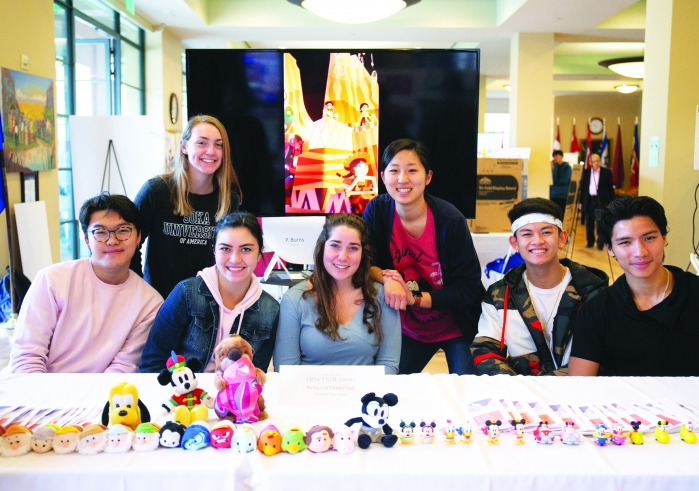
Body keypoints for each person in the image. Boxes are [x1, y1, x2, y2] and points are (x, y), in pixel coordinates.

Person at [363, 138, 484, 375]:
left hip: (457, 327)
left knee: (468, 395)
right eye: (394, 171)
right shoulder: (377, 211)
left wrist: (414, 298)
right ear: (382, 176)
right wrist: (388, 278)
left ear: (428, 177)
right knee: (389, 392)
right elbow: (365, 263)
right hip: (409, 330)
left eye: (412, 170)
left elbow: (467, 289)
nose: (402, 179)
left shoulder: (450, 221)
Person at [9, 193, 163, 373]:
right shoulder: (52, 281)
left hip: (102, 396)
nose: (112, 240)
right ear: (87, 240)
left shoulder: (150, 304)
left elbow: (122, 369)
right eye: (100, 232)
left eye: (123, 230)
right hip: (42, 392)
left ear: (138, 237)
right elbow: (27, 357)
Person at [470, 198, 608, 375]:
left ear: (562, 238)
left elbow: (602, 354)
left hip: (577, 392)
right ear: (514, 243)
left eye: (546, 232)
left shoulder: (592, 291)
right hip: (522, 396)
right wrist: (518, 389)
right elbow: (485, 348)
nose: (537, 241)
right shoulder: (500, 293)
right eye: (527, 234)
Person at [569, 195, 699, 376]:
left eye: (649, 238)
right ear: (610, 249)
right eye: (625, 242)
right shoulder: (597, 311)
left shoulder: (694, 292)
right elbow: (580, 387)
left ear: (664, 238)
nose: (640, 252)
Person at [140, 211, 279, 373]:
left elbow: (256, 376)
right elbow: (152, 364)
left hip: (235, 397)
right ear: (214, 251)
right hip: (184, 394)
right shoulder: (186, 293)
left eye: (246, 249)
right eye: (225, 249)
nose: (235, 259)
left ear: (260, 251)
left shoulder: (271, 310)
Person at [131, 114, 242, 299]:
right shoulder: (156, 191)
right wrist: (140, 288)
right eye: (202, 143)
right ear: (184, 146)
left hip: (207, 303)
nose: (211, 151)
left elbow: (231, 255)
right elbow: (130, 243)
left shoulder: (229, 198)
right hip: (158, 302)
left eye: (218, 145)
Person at [273, 214, 401, 374]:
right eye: (335, 245)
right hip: (308, 396)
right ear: (322, 248)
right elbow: (285, 370)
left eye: (353, 247)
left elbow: (388, 364)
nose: (343, 256)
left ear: (363, 253)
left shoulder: (382, 296)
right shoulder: (294, 299)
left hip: (366, 396)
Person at [579, 153, 615, 249]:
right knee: (589, 223)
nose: (596, 163)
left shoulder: (606, 172)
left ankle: (600, 243)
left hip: (601, 200)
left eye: (597, 161)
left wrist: (612, 203)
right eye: (594, 161)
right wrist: (580, 202)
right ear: (590, 162)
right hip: (589, 200)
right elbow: (582, 189)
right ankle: (590, 242)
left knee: (600, 223)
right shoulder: (586, 172)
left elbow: (610, 189)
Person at [549, 149, 571, 217]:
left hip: (563, 195)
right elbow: (553, 180)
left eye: (556, 156)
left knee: (562, 215)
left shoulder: (567, 167)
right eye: (554, 156)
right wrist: (553, 168)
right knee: (554, 214)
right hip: (553, 195)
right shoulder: (554, 167)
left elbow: (564, 180)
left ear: (561, 156)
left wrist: (555, 183)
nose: (555, 158)